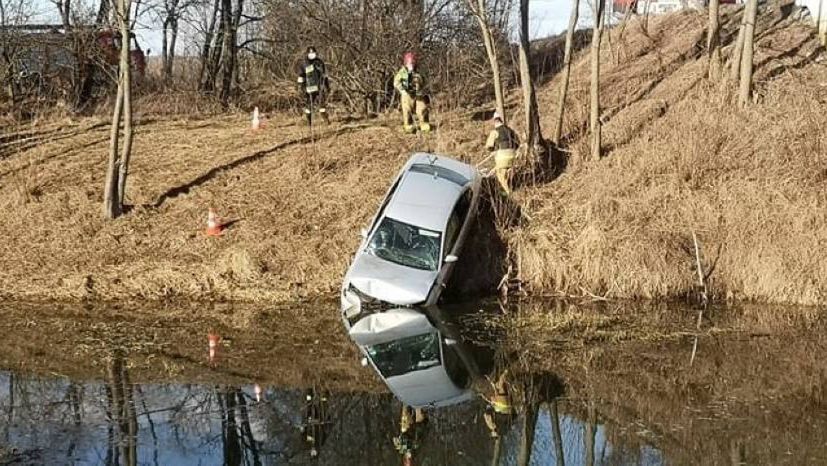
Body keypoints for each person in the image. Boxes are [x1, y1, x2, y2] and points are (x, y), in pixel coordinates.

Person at [393, 52, 431, 134]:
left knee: (422, 109)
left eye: (413, 63)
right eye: (410, 63)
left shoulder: (419, 71)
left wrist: (422, 89)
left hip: (418, 94)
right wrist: (402, 90)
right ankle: (408, 127)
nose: (412, 65)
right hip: (407, 95)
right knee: (407, 111)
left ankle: (425, 126)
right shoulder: (402, 72)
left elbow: (424, 81)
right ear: (406, 63)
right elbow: (396, 82)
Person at [485, 112, 520, 195]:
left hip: (502, 157)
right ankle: (511, 185)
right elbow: (518, 143)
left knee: (501, 177)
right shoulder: (510, 130)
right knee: (507, 173)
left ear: (494, 121)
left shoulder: (495, 132)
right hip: (513, 156)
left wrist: (493, 150)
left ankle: (507, 194)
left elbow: (488, 146)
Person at [297, 46, 329, 126]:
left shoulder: (319, 62)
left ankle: (326, 120)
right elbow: (301, 77)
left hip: (319, 87)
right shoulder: (303, 64)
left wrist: (327, 86)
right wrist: (301, 88)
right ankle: (309, 123)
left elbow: (324, 75)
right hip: (309, 88)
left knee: (322, 105)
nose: (312, 54)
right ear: (307, 53)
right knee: (308, 106)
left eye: (313, 52)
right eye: (310, 52)